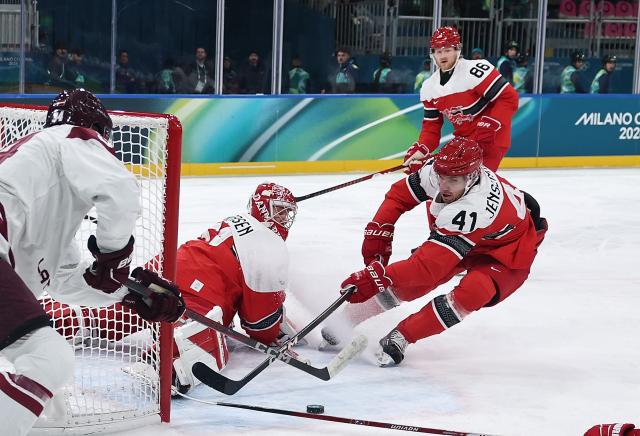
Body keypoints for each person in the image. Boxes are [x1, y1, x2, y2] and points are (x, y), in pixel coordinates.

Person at [0, 89, 184, 436]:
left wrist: (129, 296)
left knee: (48, 413)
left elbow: (61, 278)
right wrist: (115, 259)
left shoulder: (38, 185)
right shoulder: (74, 136)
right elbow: (121, 192)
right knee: (48, 360)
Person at [326, 137, 547, 367]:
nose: (444, 185)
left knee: (474, 291)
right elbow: (398, 196)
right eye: (442, 177)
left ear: (471, 178)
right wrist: (380, 228)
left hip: (507, 249)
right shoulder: (438, 170)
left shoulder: (475, 207)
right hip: (473, 233)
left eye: (453, 180)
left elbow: (427, 269)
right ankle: (349, 318)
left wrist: (377, 277)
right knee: (412, 282)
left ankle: (403, 336)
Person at [170, 182, 300, 394]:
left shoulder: (237, 220)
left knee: (113, 317)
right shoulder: (269, 244)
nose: (284, 219)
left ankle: (94, 317)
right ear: (263, 207)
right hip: (198, 293)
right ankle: (161, 369)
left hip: (166, 267)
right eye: (279, 210)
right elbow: (259, 324)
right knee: (199, 344)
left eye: (287, 213)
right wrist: (274, 329)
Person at [403, 26, 519, 173]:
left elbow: (509, 98)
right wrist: (421, 150)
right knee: (439, 181)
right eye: (438, 51)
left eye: (447, 50)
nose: (443, 55)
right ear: (432, 54)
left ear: (458, 50)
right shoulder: (429, 87)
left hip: (491, 141)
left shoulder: (475, 70)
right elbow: (431, 128)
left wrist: (491, 123)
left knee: (468, 187)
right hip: (463, 141)